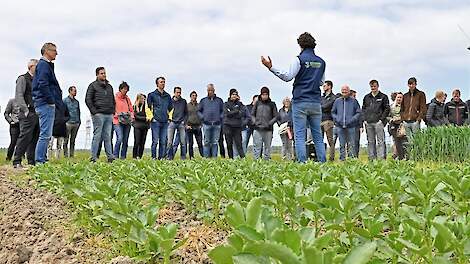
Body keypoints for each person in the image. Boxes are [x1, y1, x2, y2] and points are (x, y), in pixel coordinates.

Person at [261, 32, 326, 163]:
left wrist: (271, 67)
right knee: (317, 136)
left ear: (300, 45)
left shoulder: (299, 59)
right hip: (315, 102)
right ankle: (322, 163)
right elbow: (321, 82)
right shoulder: (321, 62)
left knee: (300, 135)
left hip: (301, 101)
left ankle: (302, 164)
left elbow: (288, 76)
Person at [32, 42, 62, 165]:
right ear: (46, 51)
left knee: (46, 134)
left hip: (43, 103)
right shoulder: (44, 65)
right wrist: (50, 100)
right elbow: (43, 84)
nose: (56, 53)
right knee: (45, 134)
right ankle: (40, 161)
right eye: (54, 50)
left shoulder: (45, 65)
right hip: (45, 103)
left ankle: (42, 159)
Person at [13, 59, 39, 168]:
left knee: (34, 138)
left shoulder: (37, 80)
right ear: (31, 66)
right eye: (37, 67)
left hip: (37, 113)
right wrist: (26, 110)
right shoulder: (23, 78)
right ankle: (17, 161)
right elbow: (19, 95)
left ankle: (31, 162)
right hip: (27, 113)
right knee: (24, 137)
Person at [86, 67, 116, 163]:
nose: (104, 75)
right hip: (98, 114)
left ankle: (110, 157)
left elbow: (113, 100)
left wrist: (113, 111)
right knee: (97, 136)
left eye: (104, 73)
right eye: (102, 73)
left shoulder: (109, 86)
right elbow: (88, 99)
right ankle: (93, 157)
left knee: (108, 136)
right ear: (97, 75)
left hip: (109, 114)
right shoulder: (93, 86)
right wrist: (94, 112)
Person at [331, 85, 362, 161]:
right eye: (343, 91)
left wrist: (352, 119)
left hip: (351, 126)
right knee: (342, 144)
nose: (344, 92)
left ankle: (351, 159)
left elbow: (358, 112)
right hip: (340, 126)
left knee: (351, 144)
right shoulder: (337, 101)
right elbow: (333, 112)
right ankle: (342, 159)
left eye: (345, 90)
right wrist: (337, 119)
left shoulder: (354, 101)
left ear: (349, 91)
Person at [362, 80, 390, 160]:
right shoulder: (366, 97)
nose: (373, 88)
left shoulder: (383, 97)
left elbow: (387, 109)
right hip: (369, 123)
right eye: (371, 86)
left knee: (380, 141)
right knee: (370, 142)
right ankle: (372, 159)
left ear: (378, 86)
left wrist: (381, 120)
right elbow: (363, 109)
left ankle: (381, 159)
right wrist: (365, 119)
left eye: (374, 86)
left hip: (378, 122)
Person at [147, 76, 173, 160]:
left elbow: (171, 108)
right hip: (155, 121)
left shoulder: (167, 96)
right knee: (155, 141)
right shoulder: (152, 95)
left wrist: (169, 118)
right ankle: (153, 157)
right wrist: (151, 118)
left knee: (163, 141)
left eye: (164, 82)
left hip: (165, 121)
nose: (163, 83)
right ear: (157, 84)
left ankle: (161, 158)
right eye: (161, 82)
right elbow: (148, 107)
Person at [198, 83, 224, 158]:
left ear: (214, 90)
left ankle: (214, 159)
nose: (210, 92)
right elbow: (199, 111)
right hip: (206, 124)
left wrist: (220, 117)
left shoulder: (219, 100)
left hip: (217, 124)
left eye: (211, 90)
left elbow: (223, 111)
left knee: (215, 142)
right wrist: (203, 117)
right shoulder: (203, 100)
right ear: (207, 91)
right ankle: (206, 159)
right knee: (206, 142)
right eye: (208, 90)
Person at [251, 87, 278, 160]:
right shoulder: (257, 103)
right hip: (257, 129)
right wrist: (255, 122)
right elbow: (252, 114)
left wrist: (269, 123)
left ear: (268, 95)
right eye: (263, 94)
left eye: (266, 94)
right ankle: (256, 163)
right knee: (257, 147)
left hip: (268, 130)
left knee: (267, 148)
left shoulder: (272, 104)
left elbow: (276, 117)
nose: (264, 96)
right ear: (261, 94)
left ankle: (267, 163)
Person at [223, 89, 248, 159]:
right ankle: (230, 159)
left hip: (237, 127)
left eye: (235, 94)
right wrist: (236, 111)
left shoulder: (240, 104)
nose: (234, 96)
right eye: (233, 94)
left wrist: (232, 111)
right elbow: (227, 114)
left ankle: (243, 159)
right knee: (229, 144)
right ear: (230, 95)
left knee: (239, 144)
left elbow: (242, 114)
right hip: (228, 126)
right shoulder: (226, 104)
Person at [113, 82, 134, 159]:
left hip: (127, 122)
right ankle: (115, 156)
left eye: (127, 89)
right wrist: (118, 114)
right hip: (117, 121)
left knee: (125, 141)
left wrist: (131, 116)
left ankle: (123, 157)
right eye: (124, 89)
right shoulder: (114, 98)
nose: (125, 91)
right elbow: (111, 109)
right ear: (120, 89)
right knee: (119, 138)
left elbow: (131, 110)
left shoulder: (127, 99)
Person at [167, 87, 188, 160]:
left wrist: (184, 121)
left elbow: (186, 113)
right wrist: (168, 120)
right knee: (169, 142)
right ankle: (169, 157)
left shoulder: (183, 101)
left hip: (181, 123)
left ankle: (183, 158)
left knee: (183, 142)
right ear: (174, 93)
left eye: (180, 92)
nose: (179, 94)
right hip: (172, 123)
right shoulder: (170, 101)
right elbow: (167, 111)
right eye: (177, 92)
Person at [320, 80, 336, 161]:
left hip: (328, 121)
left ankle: (331, 158)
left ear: (329, 86)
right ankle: (321, 157)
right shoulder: (321, 97)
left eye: (324, 86)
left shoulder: (334, 97)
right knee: (319, 140)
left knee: (330, 140)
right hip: (320, 120)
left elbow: (326, 107)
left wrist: (320, 107)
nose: (323, 87)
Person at [63, 86, 81, 158]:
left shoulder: (77, 102)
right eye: (74, 91)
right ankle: (65, 155)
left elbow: (78, 111)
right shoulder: (64, 101)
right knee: (66, 140)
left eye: (76, 91)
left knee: (73, 140)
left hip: (76, 122)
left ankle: (71, 155)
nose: (75, 92)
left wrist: (79, 121)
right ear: (70, 91)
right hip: (68, 123)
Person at [132, 94, 152, 159]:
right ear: (139, 99)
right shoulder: (134, 106)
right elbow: (136, 116)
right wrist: (145, 118)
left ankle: (140, 157)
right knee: (137, 142)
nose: (144, 100)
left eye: (144, 99)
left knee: (142, 143)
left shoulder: (147, 107)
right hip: (137, 126)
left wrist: (147, 118)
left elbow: (149, 115)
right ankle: (134, 157)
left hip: (145, 126)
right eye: (142, 99)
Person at [388, 92, 406, 160]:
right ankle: (397, 156)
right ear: (396, 98)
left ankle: (403, 156)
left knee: (403, 142)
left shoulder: (404, 106)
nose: (399, 99)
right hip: (393, 125)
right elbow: (388, 116)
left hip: (402, 125)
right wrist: (392, 120)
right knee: (396, 141)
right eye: (398, 97)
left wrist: (401, 118)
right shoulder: (391, 106)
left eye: (401, 97)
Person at [186, 91, 204, 159]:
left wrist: (201, 124)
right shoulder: (187, 105)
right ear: (190, 97)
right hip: (189, 126)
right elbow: (185, 115)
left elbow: (202, 115)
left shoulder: (199, 105)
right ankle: (191, 157)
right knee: (190, 144)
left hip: (198, 126)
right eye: (193, 95)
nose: (194, 97)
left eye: (195, 95)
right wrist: (186, 125)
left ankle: (203, 157)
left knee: (200, 143)